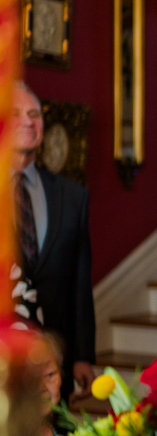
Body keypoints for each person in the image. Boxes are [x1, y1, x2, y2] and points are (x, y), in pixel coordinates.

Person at [9, 82, 95, 392]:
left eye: (34, 114)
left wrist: (83, 355)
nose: (28, 121)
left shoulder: (73, 196)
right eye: (16, 113)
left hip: (55, 360)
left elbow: (79, 284)